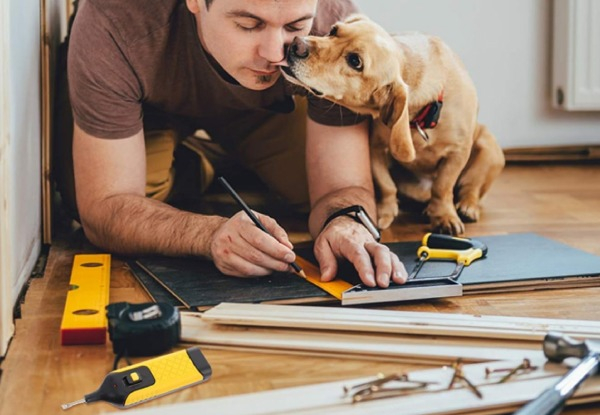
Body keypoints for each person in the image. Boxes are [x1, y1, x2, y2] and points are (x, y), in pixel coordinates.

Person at [57, 0, 408, 288]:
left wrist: (347, 223)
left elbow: (343, 185)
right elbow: (104, 207)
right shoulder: (113, 18)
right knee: (107, 206)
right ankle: (201, 162)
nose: (275, 54)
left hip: (265, 110)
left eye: (295, 27)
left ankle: (221, 158)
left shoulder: (335, 24)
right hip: (149, 110)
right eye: (248, 24)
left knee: (311, 196)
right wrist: (208, 234)